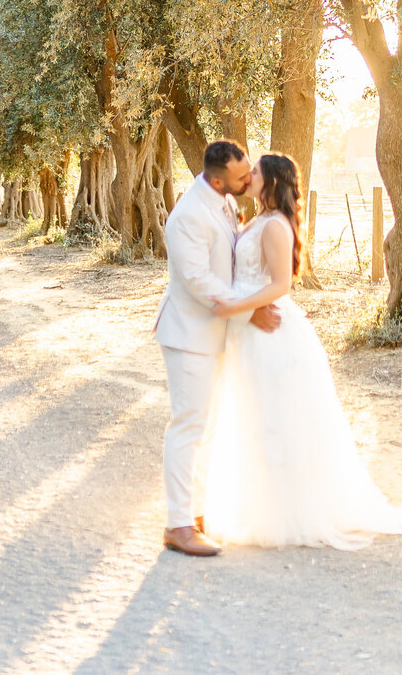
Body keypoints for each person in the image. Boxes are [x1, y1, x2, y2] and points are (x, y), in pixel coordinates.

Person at [201, 153, 402, 550]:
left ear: (271, 182)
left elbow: (281, 285)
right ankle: (256, 507)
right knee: (254, 416)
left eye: (256, 171)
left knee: (276, 418)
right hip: (249, 330)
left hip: (271, 332)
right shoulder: (257, 219)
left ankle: (289, 513)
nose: (249, 175)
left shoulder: (275, 226)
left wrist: (236, 308)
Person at [153, 139, 279, 557]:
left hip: (216, 333)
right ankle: (178, 525)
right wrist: (249, 311)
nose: (248, 180)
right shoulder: (188, 215)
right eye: (241, 177)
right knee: (188, 426)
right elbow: (198, 281)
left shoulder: (223, 200)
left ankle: (198, 514)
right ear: (218, 179)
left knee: (205, 427)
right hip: (190, 335)